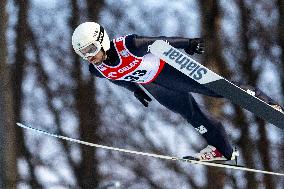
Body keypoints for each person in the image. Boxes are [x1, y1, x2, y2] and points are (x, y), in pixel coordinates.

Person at [71, 22, 283, 162]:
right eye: (83, 53)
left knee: (218, 90)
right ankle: (224, 150)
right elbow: (117, 78)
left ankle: (267, 104)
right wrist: (135, 89)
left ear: (101, 41)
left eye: (90, 49)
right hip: (154, 85)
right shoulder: (96, 69)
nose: (88, 56)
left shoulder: (129, 45)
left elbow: (159, 42)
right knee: (190, 114)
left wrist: (187, 43)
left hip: (170, 71)